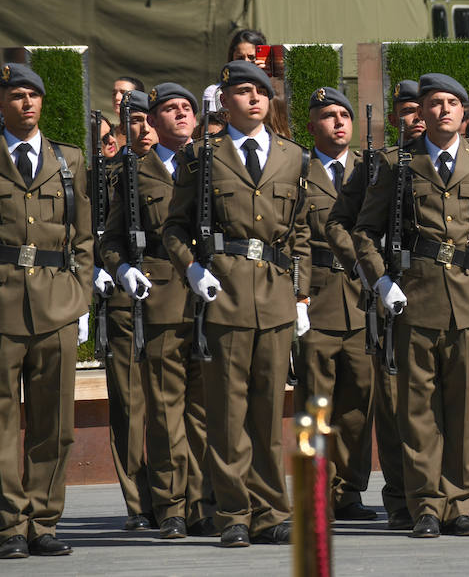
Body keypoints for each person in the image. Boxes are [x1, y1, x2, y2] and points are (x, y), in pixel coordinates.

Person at [351, 73, 469, 538]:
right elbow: (364, 231)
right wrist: (381, 281)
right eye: (434, 103)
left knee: (461, 407)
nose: (443, 110)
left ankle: (461, 503)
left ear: (464, 113)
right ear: (420, 112)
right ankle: (425, 503)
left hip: (465, 297)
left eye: (451, 102)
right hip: (413, 297)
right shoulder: (396, 163)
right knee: (417, 408)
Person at [163, 60, 307, 547]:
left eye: (259, 91)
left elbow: (302, 232)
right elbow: (175, 228)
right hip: (223, 291)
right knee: (226, 413)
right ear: (223, 102)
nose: (252, 99)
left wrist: (301, 291)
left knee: (267, 415)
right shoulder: (202, 157)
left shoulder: (292, 156)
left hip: (275, 295)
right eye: (241, 92)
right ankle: (233, 513)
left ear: (270, 100)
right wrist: (192, 268)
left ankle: (272, 511)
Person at [100, 82, 208, 540]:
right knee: (165, 412)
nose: (181, 115)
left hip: (213, 300)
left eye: (187, 108)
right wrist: (122, 270)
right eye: (171, 109)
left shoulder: (215, 162)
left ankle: (205, 502)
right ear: (153, 121)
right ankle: (171, 505)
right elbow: (110, 238)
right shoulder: (135, 172)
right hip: (161, 299)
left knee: (205, 412)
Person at [0, 63, 92, 559]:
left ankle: (43, 519)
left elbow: (84, 237)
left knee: (54, 421)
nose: (26, 103)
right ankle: (9, 523)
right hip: (2, 303)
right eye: (16, 95)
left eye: (33, 95)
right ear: (2, 103)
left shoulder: (68, 159)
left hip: (56, 303)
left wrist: (79, 297)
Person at [326, 79, 423, 531]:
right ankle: (402, 498)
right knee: (391, 399)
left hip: (438, 293)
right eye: (408, 110)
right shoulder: (378, 164)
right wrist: (370, 271)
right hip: (388, 295)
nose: (418, 116)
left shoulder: (462, 161)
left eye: (424, 108)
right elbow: (340, 223)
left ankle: (436, 495)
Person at [295, 87, 377, 522]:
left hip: (363, 300)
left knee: (357, 402)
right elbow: (293, 237)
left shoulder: (369, 170)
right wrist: (298, 296)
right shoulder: (298, 170)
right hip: (319, 294)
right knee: (315, 402)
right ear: (312, 126)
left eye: (344, 114)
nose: (339, 122)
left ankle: (349, 491)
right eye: (329, 115)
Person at [99, 89, 156, 533]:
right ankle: (139, 502)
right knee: (130, 403)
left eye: (148, 119)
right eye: (134, 121)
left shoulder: (188, 167)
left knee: (173, 404)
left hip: (174, 295)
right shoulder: (108, 173)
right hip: (123, 297)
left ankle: (179, 494)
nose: (144, 129)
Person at [204, 29, 267, 112]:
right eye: (240, 58)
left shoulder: (274, 88)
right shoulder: (215, 92)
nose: (246, 62)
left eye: (251, 57)